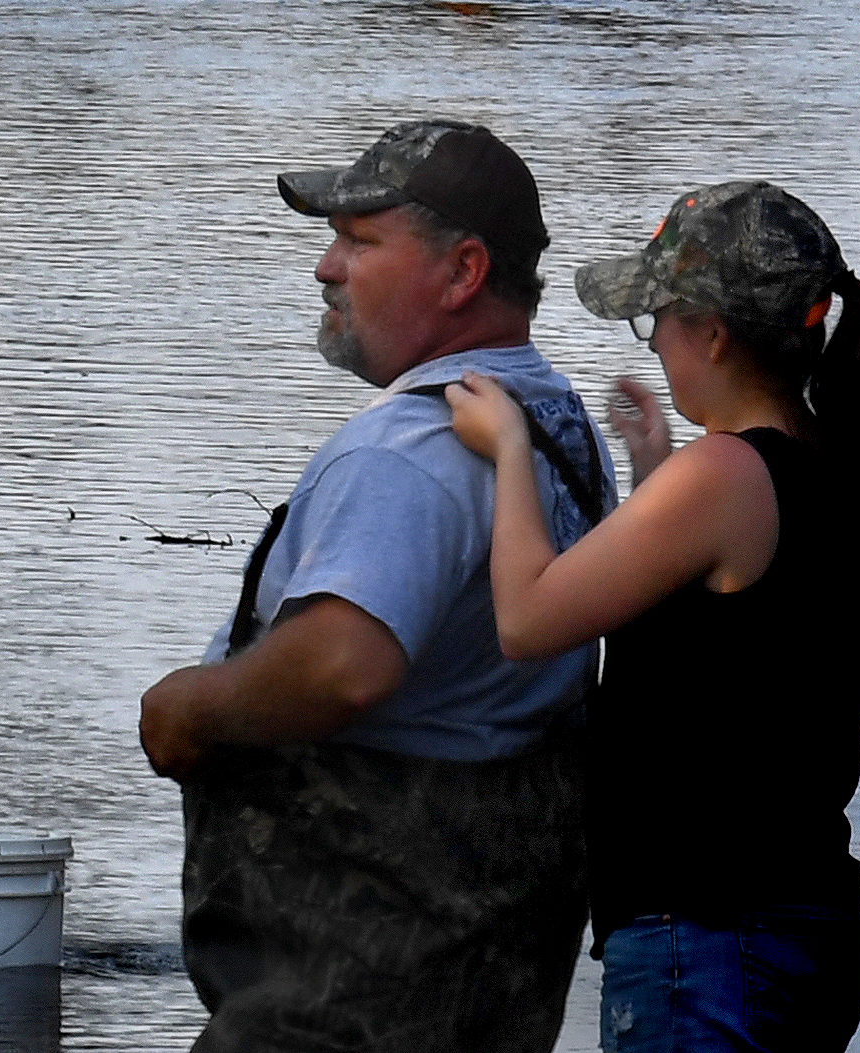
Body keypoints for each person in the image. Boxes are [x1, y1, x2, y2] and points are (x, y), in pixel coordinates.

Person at [138, 119, 616, 1053]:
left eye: (360, 242)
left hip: (352, 987)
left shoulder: (407, 453)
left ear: (462, 271)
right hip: (491, 979)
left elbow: (344, 667)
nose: (325, 267)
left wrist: (189, 708)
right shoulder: (558, 424)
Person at [443, 179, 860, 1053]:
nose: (656, 343)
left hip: (708, 938)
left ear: (712, 331)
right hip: (804, 921)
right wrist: (653, 476)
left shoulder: (722, 478)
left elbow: (525, 617)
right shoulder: (836, 467)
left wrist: (511, 449)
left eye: (657, 319)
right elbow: (739, 639)